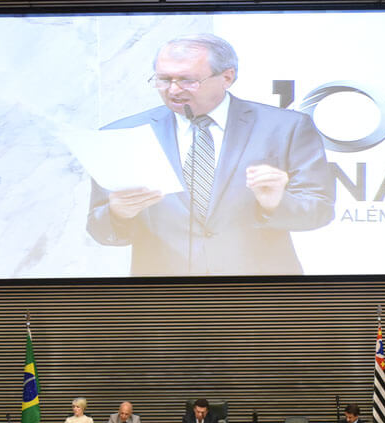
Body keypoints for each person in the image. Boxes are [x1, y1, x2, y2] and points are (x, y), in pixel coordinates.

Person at [86, 33, 335, 276]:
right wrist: (118, 213)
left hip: (259, 291)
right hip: (163, 293)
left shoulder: (286, 127)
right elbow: (99, 230)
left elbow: (320, 211)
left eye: (187, 80)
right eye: (163, 79)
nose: (173, 90)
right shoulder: (122, 135)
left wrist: (276, 202)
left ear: (227, 77)